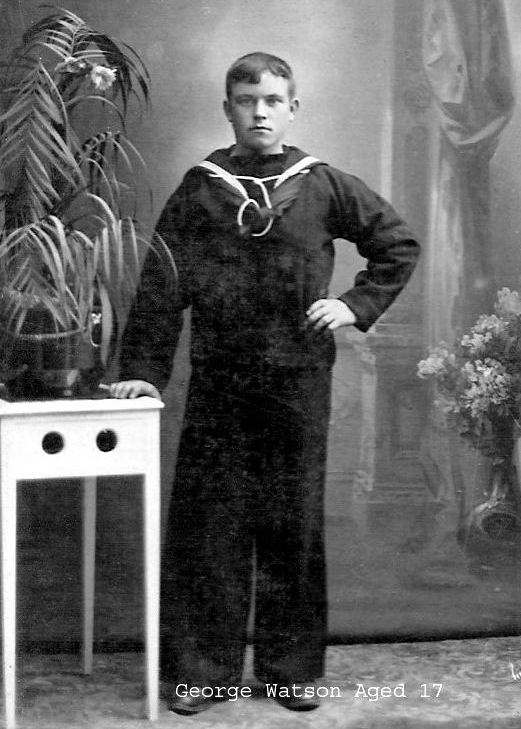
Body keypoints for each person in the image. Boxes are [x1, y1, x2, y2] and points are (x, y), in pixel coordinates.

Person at [110, 52, 420, 715]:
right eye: (247, 101)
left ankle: (290, 672)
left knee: (292, 525)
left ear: (292, 108)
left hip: (298, 381)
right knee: (208, 528)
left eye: (273, 100)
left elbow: (396, 245)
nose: (260, 112)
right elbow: (162, 287)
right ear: (227, 109)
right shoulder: (200, 190)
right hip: (220, 382)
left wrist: (354, 305)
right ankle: (201, 671)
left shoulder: (323, 185)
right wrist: (142, 373)